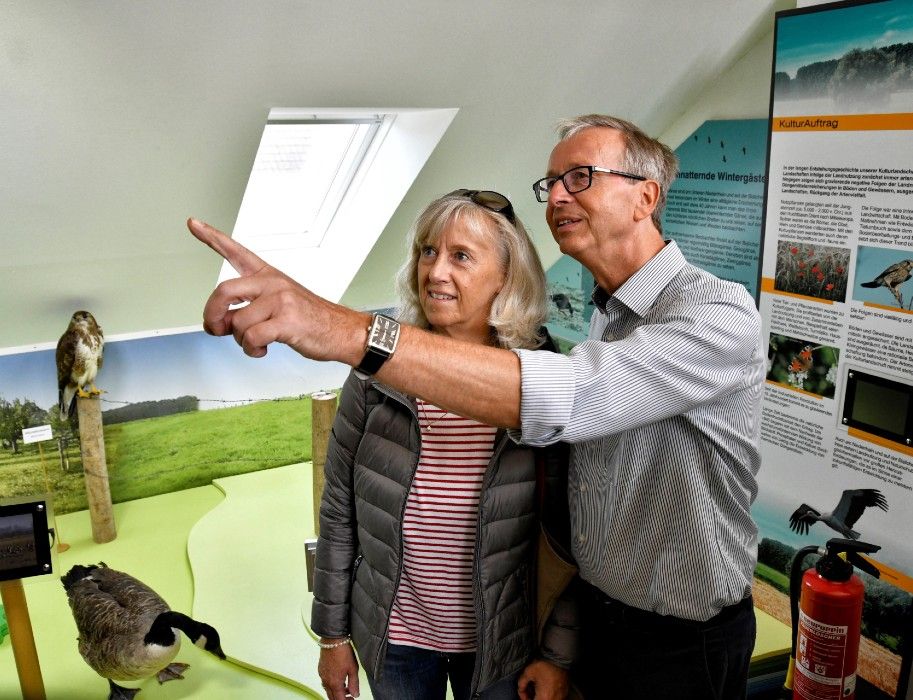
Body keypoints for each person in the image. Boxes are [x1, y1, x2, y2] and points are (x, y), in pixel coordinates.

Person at [189, 113, 765, 699]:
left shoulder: (716, 315)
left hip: (678, 642)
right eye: (552, 182)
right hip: (592, 624)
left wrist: (343, 331)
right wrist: (334, 632)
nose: (557, 195)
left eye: (581, 176)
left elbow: (572, 398)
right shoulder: (607, 317)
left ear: (646, 196)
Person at [308, 189, 578, 700]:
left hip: (504, 645)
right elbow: (339, 508)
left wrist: (555, 656)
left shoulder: (541, 378)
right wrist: (333, 634)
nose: (434, 272)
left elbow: (566, 532)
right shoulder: (375, 373)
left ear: (505, 275)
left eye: (460, 256)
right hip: (397, 641)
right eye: (427, 252)